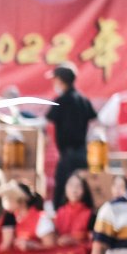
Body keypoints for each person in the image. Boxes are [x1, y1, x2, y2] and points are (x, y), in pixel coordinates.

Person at [46, 63, 97, 207]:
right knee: (84, 193)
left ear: (61, 81)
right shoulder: (83, 100)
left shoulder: (60, 101)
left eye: (55, 79)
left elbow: (44, 122)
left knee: (63, 194)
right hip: (83, 156)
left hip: (68, 157)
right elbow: (94, 121)